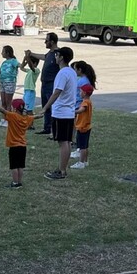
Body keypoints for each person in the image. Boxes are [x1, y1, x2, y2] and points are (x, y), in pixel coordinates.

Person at [0, 99, 43, 188]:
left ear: (15, 108)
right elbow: (34, 117)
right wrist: (40, 115)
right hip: (23, 146)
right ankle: (19, 182)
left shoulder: (13, 116)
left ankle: (15, 183)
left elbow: (3, 111)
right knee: (20, 165)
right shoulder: (26, 118)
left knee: (14, 166)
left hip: (14, 146)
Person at [42, 47, 77, 180]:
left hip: (61, 112)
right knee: (67, 141)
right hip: (69, 112)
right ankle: (63, 169)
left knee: (63, 142)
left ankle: (61, 171)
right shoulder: (71, 72)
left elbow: (56, 92)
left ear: (61, 57)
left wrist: (45, 107)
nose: (55, 57)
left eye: (57, 55)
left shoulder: (62, 73)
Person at [26, 32, 59, 136]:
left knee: (51, 106)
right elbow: (43, 56)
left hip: (51, 84)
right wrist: (31, 54)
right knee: (46, 106)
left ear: (52, 42)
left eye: (47, 40)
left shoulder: (58, 53)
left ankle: (53, 129)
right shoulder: (49, 53)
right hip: (45, 84)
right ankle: (47, 127)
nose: (45, 42)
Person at [71, 84, 94, 169]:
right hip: (87, 126)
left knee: (82, 147)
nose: (79, 93)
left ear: (84, 93)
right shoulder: (89, 101)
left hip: (82, 126)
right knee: (85, 145)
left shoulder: (85, 102)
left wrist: (74, 111)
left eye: (80, 91)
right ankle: (85, 161)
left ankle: (81, 162)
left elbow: (81, 110)